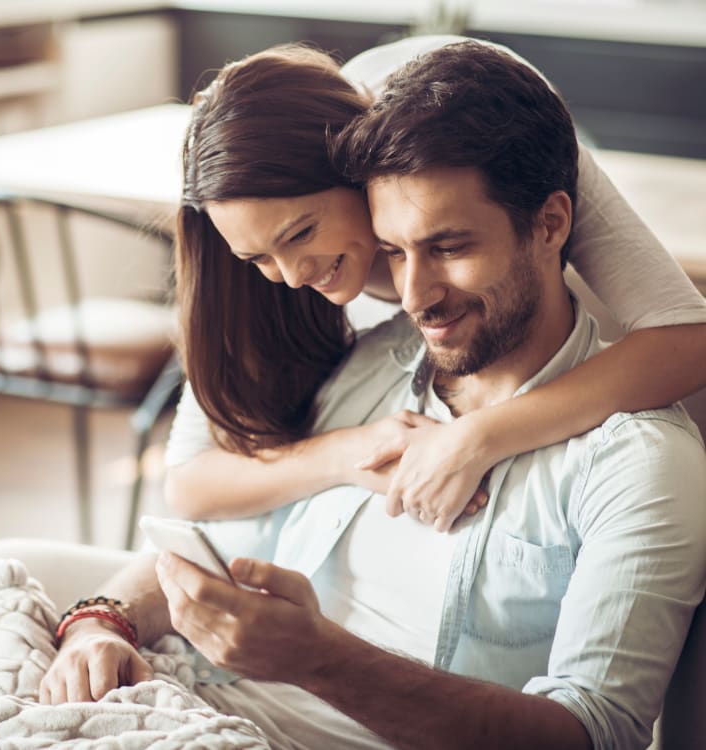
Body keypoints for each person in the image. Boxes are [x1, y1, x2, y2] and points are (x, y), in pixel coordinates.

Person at [38, 41, 706, 750]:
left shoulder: (633, 464)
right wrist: (98, 621)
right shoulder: (374, 360)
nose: (413, 297)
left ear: (549, 224)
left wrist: (318, 657)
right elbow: (204, 525)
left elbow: (595, 734)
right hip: (193, 702)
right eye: (392, 252)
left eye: (448, 246)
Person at [166, 36, 706, 532]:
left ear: (361, 170)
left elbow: (689, 338)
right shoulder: (251, 218)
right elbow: (189, 482)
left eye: (304, 232)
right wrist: (345, 454)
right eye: (257, 256)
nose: (292, 276)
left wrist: (479, 435)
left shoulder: (467, 122)